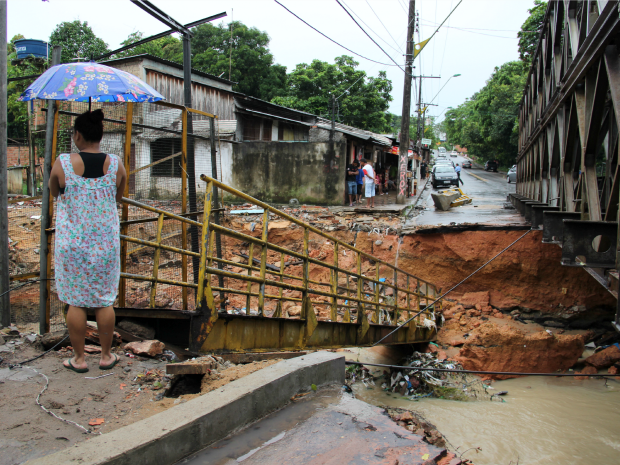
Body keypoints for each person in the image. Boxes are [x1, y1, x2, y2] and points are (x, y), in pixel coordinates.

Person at [49, 109, 127, 373]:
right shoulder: (116, 164)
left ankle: (79, 359)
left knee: (75, 300)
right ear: (101, 135)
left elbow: (54, 191)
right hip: (105, 244)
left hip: (72, 245)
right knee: (104, 300)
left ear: (78, 135)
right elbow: (118, 195)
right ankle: (106, 356)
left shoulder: (62, 163)